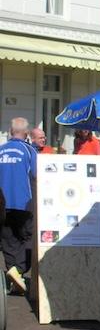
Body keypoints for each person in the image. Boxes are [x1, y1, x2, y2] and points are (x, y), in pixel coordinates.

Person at [0, 117, 37, 294]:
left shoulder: (0, 150)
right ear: (26, 133)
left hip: (2, 204)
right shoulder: (29, 151)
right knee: (27, 238)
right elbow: (38, 175)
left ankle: (14, 272)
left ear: (10, 131)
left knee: (8, 239)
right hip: (23, 203)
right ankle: (19, 270)